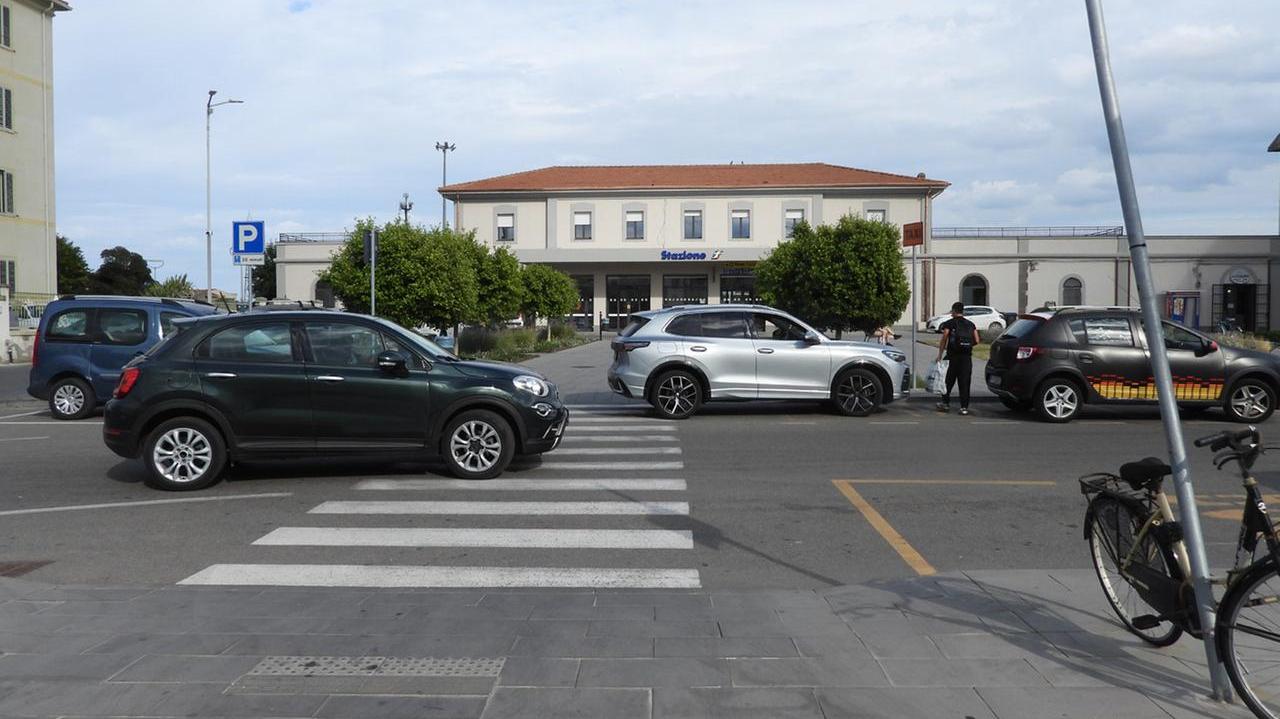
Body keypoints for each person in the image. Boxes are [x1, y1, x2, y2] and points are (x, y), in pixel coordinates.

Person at [936, 301, 980, 415]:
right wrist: (968, 345)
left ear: (954, 311)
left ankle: (945, 404)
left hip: (952, 356)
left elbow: (945, 337)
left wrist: (940, 354)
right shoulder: (970, 324)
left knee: (947, 381)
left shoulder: (949, 323)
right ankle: (964, 408)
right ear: (962, 311)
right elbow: (977, 340)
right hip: (966, 358)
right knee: (965, 382)